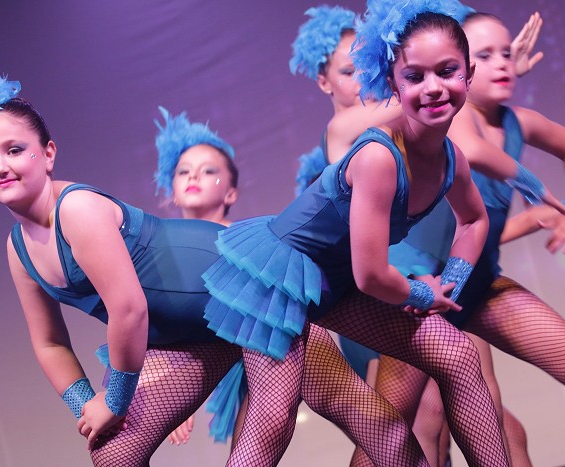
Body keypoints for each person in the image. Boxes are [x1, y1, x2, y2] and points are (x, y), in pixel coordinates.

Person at [0, 78, 427, 467]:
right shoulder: (18, 249)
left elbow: (128, 309)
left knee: (348, 415)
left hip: (253, 294)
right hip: (188, 333)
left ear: (48, 153)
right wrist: (88, 406)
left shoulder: (77, 208)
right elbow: (50, 343)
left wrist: (116, 399)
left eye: (14, 150)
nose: (0, 166)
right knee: (114, 453)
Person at [203, 2, 512, 465]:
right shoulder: (380, 156)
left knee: (457, 357)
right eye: (415, 77)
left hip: (338, 286)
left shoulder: (452, 159)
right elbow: (370, 275)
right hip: (282, 283)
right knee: (273, 420)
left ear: (468, 75)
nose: (433, 87)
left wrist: (450, 283)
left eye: (447, 71)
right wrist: (423, 293)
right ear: (394, 86)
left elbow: (474, 221)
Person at [373, 11, 565, 465]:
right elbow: (477, 153)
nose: (504, 63)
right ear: (464, 70)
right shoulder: (452, 118)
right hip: (421, 295)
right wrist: (542, 199)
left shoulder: (518, 122)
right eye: (486, 55)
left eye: (506, 53)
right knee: (394, 430)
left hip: (476, 286)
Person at [153, 108, 433, 466]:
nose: (194, 176)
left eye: (209, 170)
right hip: (227, 354)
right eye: (183, 171)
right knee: (257, 441)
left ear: (231, 193)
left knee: (372, 422)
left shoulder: (248, 247)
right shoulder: (167, 255)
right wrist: (174, 394)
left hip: (280, 323)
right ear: (172, 191)